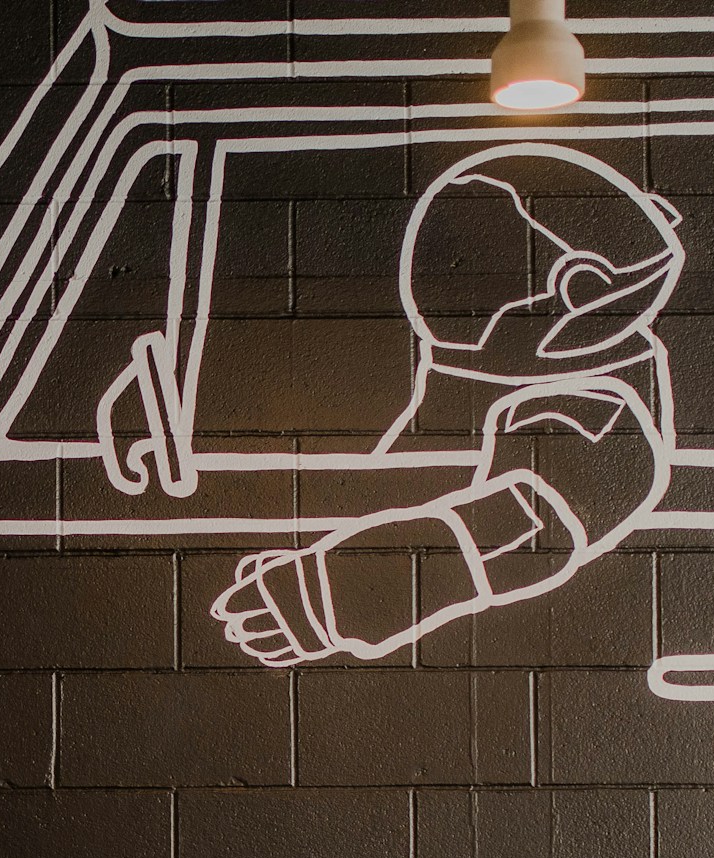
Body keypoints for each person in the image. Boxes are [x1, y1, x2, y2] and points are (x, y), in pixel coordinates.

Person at [211, 144, 683, 666]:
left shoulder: (593, 405)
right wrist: (320, 561)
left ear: (579, 288)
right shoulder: (470, 376)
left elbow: (531, 522)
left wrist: (336, 590)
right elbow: (420, 490)